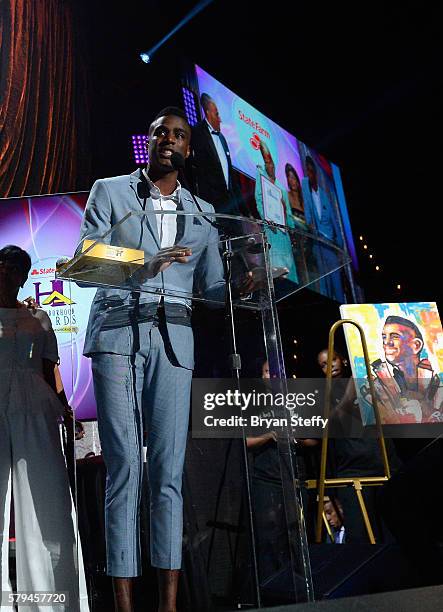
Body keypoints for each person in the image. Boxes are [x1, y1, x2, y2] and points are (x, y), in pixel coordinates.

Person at [77, 106, 250, 612]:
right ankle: (125, 603)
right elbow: (84, 261)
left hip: (175, 340)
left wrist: (241, 285)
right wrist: (142, 263)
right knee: (126, 466)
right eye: (160, 133)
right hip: (117, 335)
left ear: (189, 149)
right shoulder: (111, 192)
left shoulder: (202, 213)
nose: (168, 140)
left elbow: (211, 289)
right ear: (146, 142)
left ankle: (169, 605)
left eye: (178, 135)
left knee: (168, 474)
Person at [0, 245, 89, 612]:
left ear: (24, 276)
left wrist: (67, 409)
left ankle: (50, 600)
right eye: (4, 265)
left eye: (17, 268)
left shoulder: (39, 318)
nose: (9, 272)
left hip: (33, 405)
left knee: (46, 498)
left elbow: (49, 370)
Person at [317, 347, 397, 543]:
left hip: (384, 462)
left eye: (333, 360)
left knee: (394, 531)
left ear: (343, 361)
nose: (330, 366)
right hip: (353, 470)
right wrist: (348, 397)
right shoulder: (323, 392)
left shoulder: (370, 381)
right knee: (362, 536)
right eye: (323, 365)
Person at [363, 315, 443, 423]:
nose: (386, 342)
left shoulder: (436, 384)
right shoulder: (377, 385)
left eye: (395, 336)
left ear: (416, 345)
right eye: (384, 337)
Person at [189, 93, 245, 217]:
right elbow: (198, 173)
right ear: (208, 113)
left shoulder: (223, 139)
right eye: (217, 114)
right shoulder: (197, 133)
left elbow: (231, 178)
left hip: (231, 209)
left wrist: (244, 212)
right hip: (211, 207)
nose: (220, 119)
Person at [254, 141, 299, 284]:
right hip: (271, 231)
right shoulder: (261, 179)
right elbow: (259, 201)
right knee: (275, 274)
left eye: (271, 163)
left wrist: (291, 230)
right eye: (267, 163)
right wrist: (266, 218)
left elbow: (289, 213)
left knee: (289, 275)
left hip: (284, 235)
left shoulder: (281, 187)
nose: (270, 166)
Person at [301, 155, 344, 300]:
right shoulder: (306, 189)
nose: (309, 174)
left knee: (336, 283)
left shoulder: (324, 195)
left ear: (316, 173)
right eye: (307, 172)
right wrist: (309, 223)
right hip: (317, 244)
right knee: (323, 286)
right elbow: (307, 213)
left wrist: (340, 246)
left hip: (330, 245)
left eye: (311, 171)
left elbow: (334, 221)